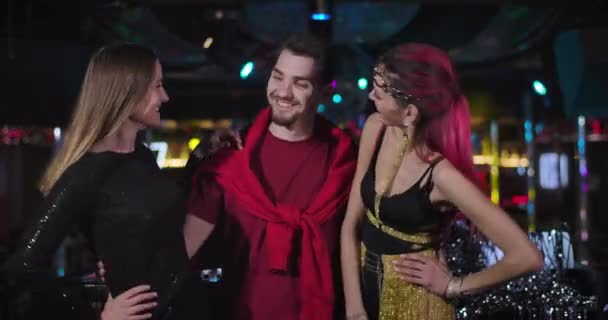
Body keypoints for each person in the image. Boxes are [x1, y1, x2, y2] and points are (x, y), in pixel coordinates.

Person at [3, 43, 207, 320]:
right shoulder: (86, 174)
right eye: (157, 86)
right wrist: (95, 313)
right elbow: (20, 270)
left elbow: (158, 218)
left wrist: (200, 159)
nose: (165, 96)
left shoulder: (141, 156)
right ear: (127, 92)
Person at [340, 43, 544, 320]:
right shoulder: (376, 128)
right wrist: (355, 310)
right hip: (366, 292)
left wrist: (453, 286)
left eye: (379, 89)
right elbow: (350, 225)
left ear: (410, 113)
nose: (370, 94)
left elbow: (527, 256)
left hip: (416, 305)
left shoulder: (441, 175)